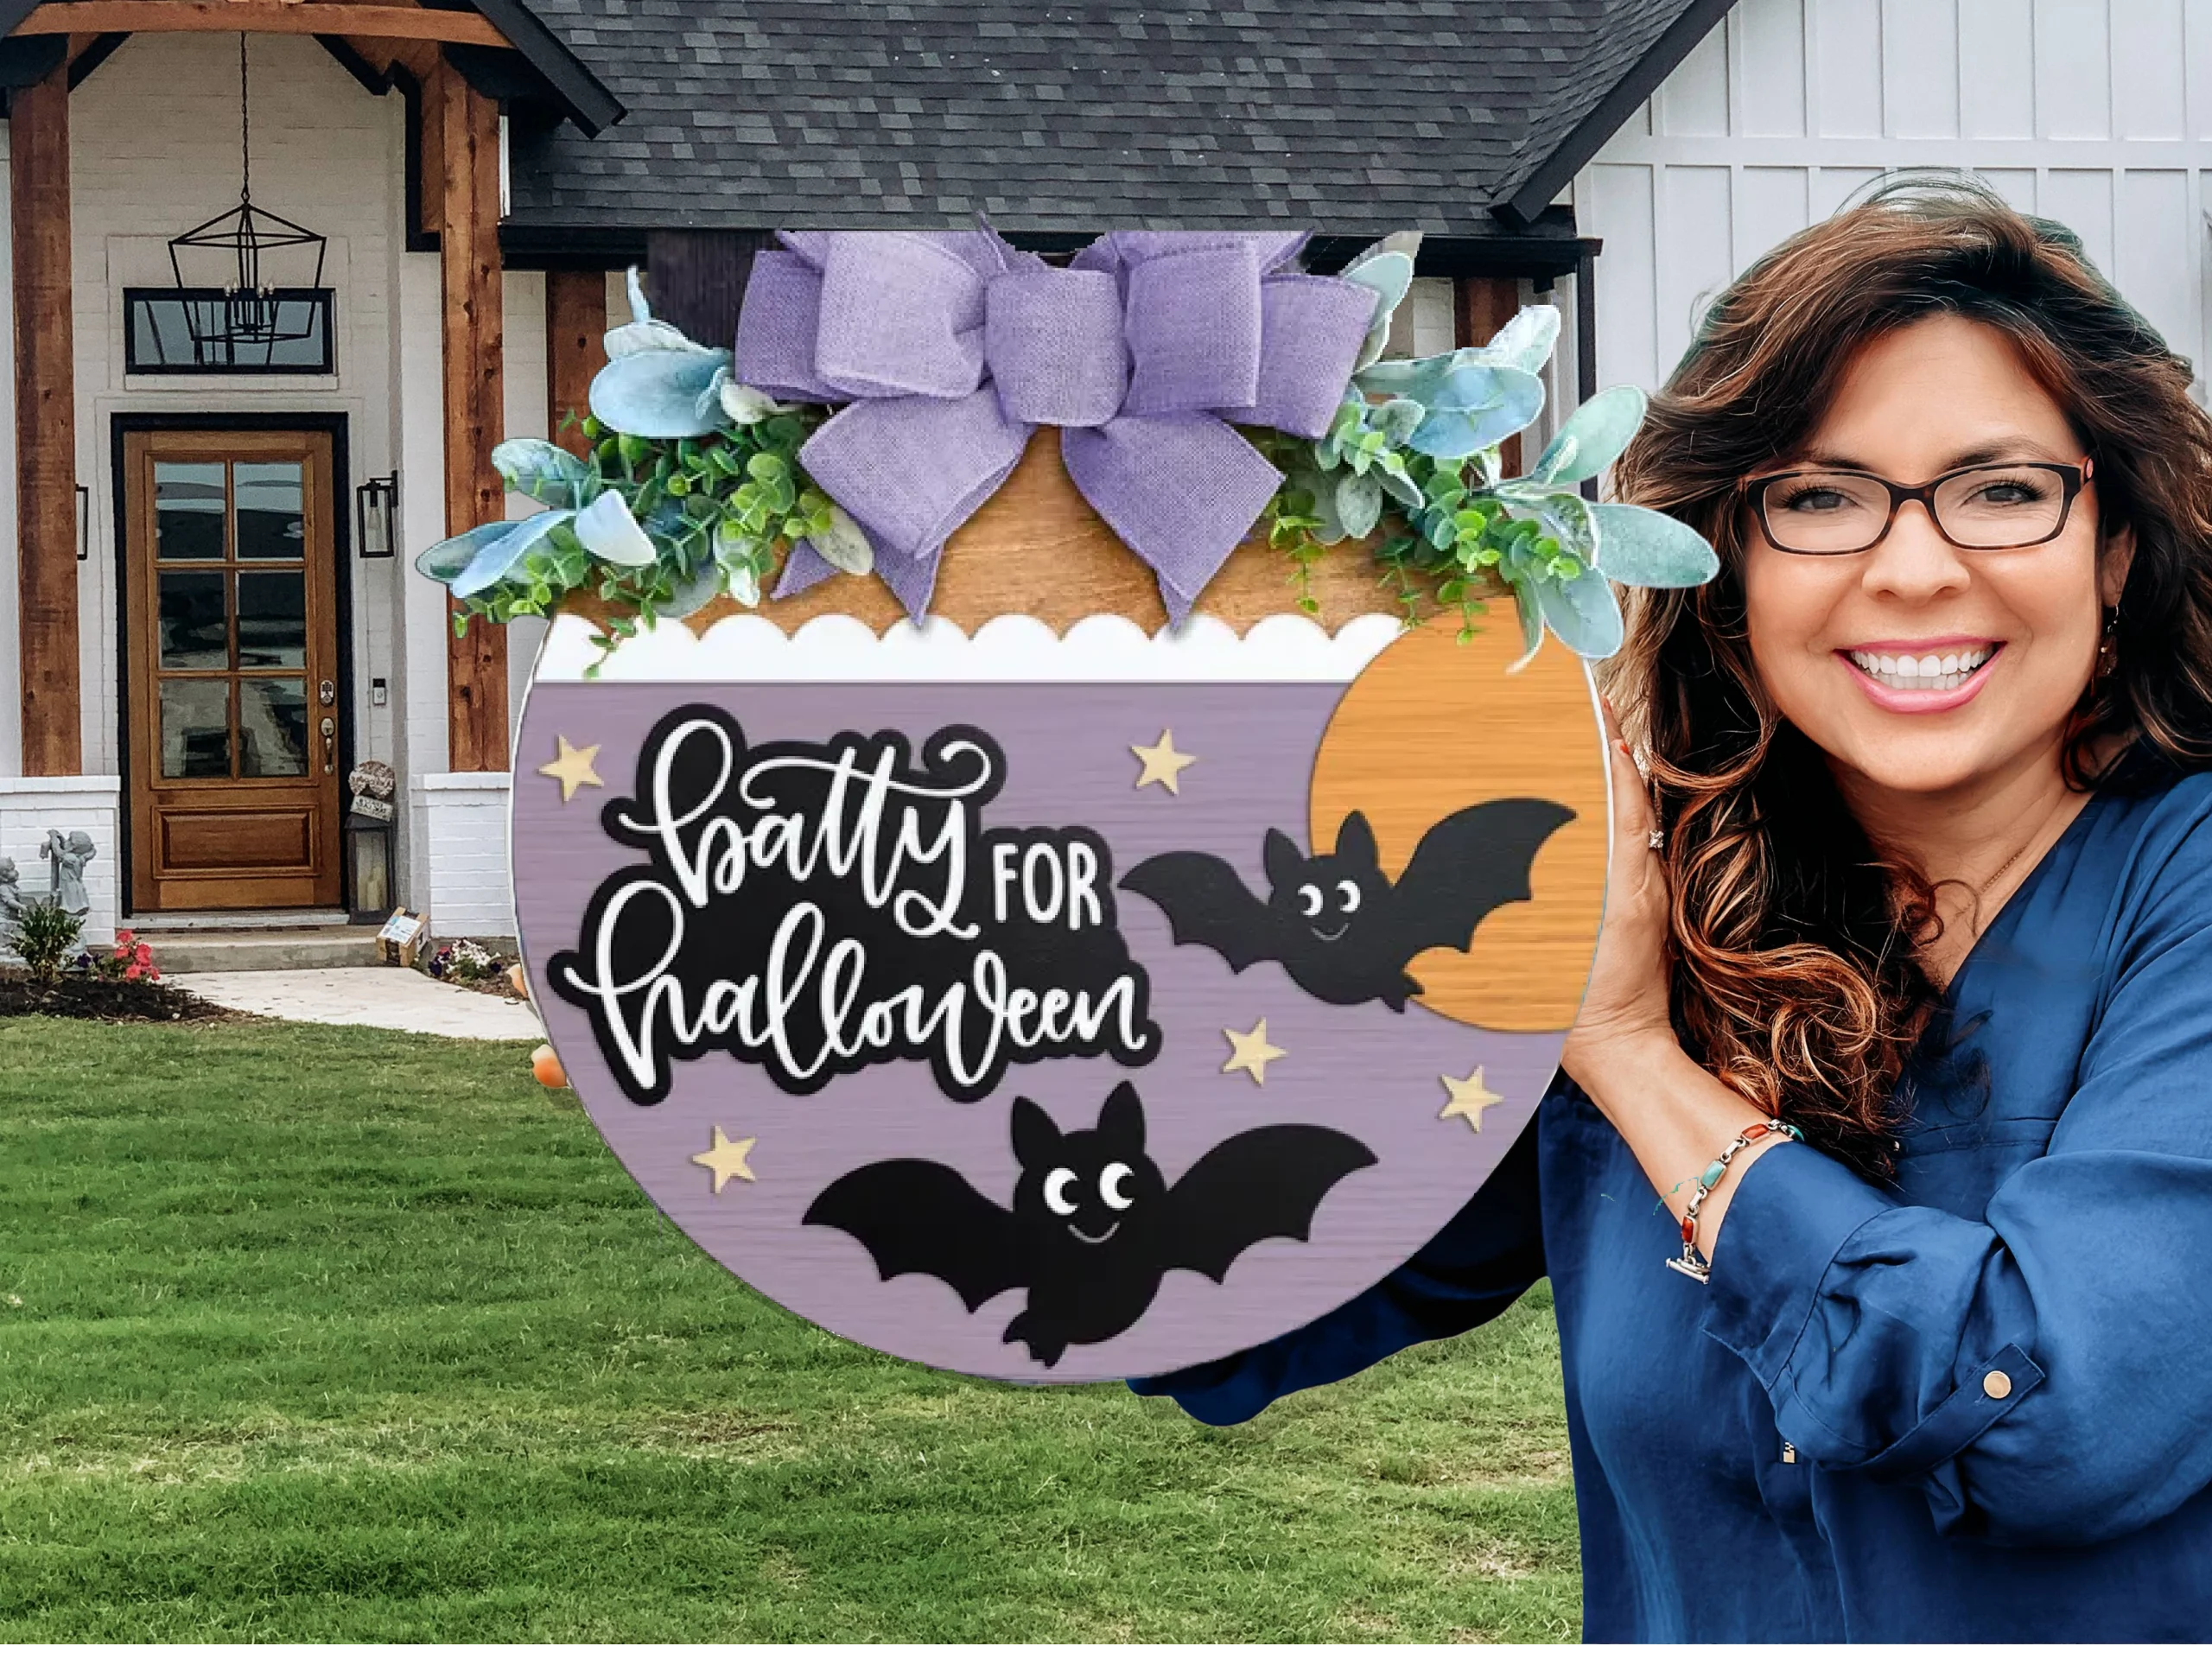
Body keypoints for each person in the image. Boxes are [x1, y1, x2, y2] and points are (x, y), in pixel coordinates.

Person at [1134, 178, 2212, 1642]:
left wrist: (1634, 1058)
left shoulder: (2178, 894)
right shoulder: (1653, 901)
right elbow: (1216, 1299)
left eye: (2003, 491)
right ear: (1729, 566)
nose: (1913, 568)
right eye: (1819, 497)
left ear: (2117, 548)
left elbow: (2058, 1417)